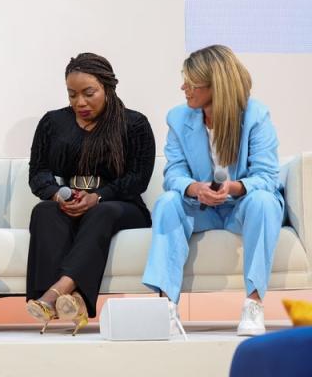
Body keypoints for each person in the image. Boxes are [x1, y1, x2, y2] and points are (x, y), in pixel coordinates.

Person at [142, 45, 283, 336]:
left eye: (191, 83)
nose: (184, 87)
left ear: (215, 85)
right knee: (168, 201)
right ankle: (167, 307)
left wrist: (234, 187)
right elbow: (174, 173)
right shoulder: (178, 118)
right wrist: (194, 188)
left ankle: (254, 303)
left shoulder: (256, 116)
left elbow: (267, 176)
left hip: (240, 206)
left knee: (265, 202)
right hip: (201, 208)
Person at [25, 53, 155, 335]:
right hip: (70, 200)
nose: (79, 103)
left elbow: (138, 179)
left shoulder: (134, 124)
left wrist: (100, 195)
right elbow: (38, 173)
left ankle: (53, 294)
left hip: (121, 205)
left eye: (89, 93)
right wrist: (57, 195)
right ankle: (75, 302)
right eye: (72, 95)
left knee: (101, 211)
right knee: (44, 211)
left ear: (108, 87)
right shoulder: (53, 122)